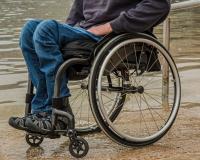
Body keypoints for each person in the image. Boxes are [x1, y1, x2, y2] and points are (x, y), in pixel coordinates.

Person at [9, 0, 171, 134]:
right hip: (84, 32)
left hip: (112, 35)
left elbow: (160, 5)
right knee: (29, 29)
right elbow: (75, 15)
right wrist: (65, 35)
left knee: (45, 29)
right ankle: (41, 112)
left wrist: (110, 26)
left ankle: (59, 112)